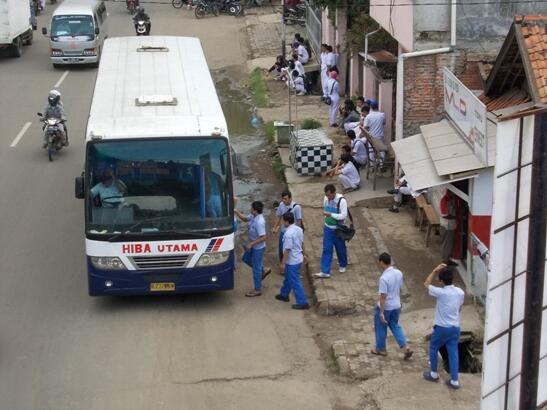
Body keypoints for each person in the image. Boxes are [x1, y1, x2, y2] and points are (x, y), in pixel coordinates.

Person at [423, 264, 465, 389]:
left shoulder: (440, 292)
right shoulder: (460, 292)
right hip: (455, 327)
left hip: (442, 327)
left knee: (433, 347)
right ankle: (454, 381)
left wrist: (434, 270)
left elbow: (426, 283)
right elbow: (460, 308)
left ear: (441, 281)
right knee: (453, 352)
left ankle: (434, 374)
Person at [371, 252, 414, 359]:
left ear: (381, 262)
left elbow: (383, 296)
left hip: (386, 307)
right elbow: (399, 288)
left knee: (381, 327)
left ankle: (381, 349)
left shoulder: (384, 278)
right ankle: (405, 346)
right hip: (396, 305)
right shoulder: (399, 273)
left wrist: (381, 312)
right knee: (395, 325)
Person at [234, 201, 270, 297]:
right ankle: (263, 269)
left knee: (256, 269)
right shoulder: (253, 216)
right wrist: (235, 211)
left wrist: (251, 244)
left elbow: (264, 237)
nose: (250, 209)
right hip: (253, 245)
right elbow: (245, 219)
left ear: (255, 210)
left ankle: (257, 289)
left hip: (258, 248)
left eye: (251, 208)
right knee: (245, 258)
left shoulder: (259, 222)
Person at [275, 213, 310, 310]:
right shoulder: (298, 229)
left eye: (283, 221)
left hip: (292, 261)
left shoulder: (288, 234)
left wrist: (282, 263)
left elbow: (287, 250)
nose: (282, 222)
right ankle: (284, 294)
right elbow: (301, 243)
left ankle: (303, 302)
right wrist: (304, 254)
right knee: (288, 278)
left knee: (295, 281)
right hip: (298, 258)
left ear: (286, 221)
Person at [314, 184, 348, 278]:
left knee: (340, 248)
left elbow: (344, 215)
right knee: (327, 249)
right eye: (326, 195)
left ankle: (343, 264)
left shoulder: (341, 201)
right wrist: (327, 218)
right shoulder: (326, 199)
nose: (328, 197)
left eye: (329, 195)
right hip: (328, 228)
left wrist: (331, 215)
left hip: (338, 228)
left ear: (334, 193)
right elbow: (325, 209)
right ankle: (325, 271)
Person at [271, 190, 303, 262]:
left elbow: (298, 221)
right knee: (281, 249)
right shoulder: (281, 205)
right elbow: (279, 217)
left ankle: (288, 264)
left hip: (293, 233)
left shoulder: (296, 207)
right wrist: (275, 227)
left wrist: (299, 234)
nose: (283, 200)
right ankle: (282, 265)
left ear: (290, 198)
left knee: (291, 251)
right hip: (283, 232)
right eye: (283, 199)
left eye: (285, 199)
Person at [440, 190, 457, 264]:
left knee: (448, 243)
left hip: (448, 225)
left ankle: (446, 259)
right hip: (447, 225)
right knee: (447, 244)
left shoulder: (450, 199)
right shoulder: (445, 200)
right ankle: (445, 261)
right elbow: (445, 215)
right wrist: (456, 217)